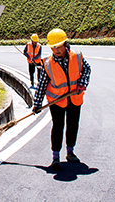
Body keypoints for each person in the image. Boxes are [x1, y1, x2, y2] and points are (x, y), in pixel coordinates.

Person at [32, 28, 91, 171]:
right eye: (53, 47)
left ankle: (70, 152)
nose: (56, 50)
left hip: (75, 98)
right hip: (57, 101)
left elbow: (87, 70)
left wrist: (82, 84)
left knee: (72, 125)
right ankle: (55, 157)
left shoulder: (77, 56)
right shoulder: (47, 63)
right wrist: (37, 104)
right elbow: (42, 84)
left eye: (58, 47)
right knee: (58, 127)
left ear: (65, 44)